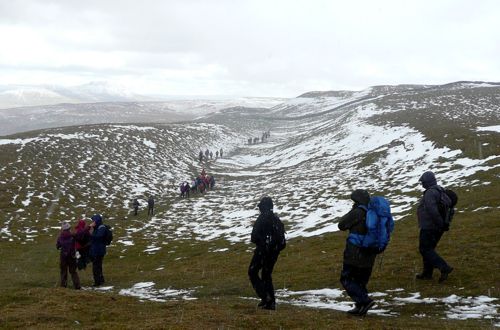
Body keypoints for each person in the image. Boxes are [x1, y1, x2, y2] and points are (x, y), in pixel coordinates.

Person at [338, 189, 377, 316]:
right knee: (360, 281)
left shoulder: (358, 212)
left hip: (355, 252)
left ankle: (365, 301)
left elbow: (342, 225)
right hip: (370, 252)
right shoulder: (373, 212)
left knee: (347, 278)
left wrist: (353, 210)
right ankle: (360, 306)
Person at [248, 196, 285, 310]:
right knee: (266, 274)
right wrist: (274, 248)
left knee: (252, 272)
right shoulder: (276, 219)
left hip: (262, 251)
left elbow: (253, 237)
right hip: (274, 252)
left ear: (263, 207)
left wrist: (263, 244)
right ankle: (270, 302)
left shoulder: (262, 218)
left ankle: (266, 297)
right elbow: (282, 242)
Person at [416, 171, 454, 282]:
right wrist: (442, 225)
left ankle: (444, 268)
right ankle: (427, 273)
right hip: (437, 227)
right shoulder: (440, 190)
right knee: (429, 249)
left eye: (423, 182)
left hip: (430, 226)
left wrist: (439, 223)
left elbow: (432, 210)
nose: (422, 184)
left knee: (425, 249)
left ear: (427, 182)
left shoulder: (430, 193)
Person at [56, 222, 81, 289]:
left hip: (63, 256)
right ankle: (77, 286)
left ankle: (63, 285)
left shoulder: (60, 237)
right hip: (72, 256)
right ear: (69, 228)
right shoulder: (73, 236)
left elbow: (58, 246)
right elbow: (79, 239)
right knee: (73, 272)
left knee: (63, 271)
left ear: (63, 229)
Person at [89, 214, 107, 286]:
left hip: (99, 250)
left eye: (93, 221)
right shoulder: (98, 227)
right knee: (98, 265)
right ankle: (100, 279)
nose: (92, 222)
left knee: (96, 266)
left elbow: (98, 237)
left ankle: (97, 282)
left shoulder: (101, 228)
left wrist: (90, 234)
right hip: (98, 249)